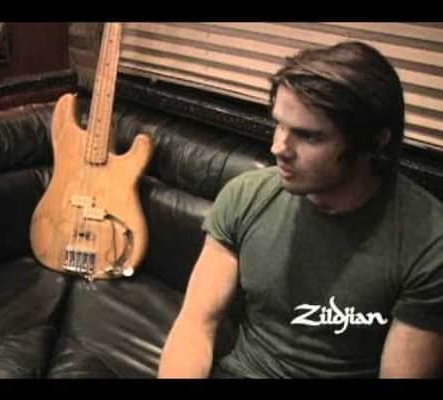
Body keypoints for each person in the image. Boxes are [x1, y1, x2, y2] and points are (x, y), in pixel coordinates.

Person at [158, 41, 443, 378]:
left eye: (308, 136)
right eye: (279, 125)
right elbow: (195, 325)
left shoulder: (428, 241)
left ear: (375, 141)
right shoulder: (245, 196)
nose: (278, 147)